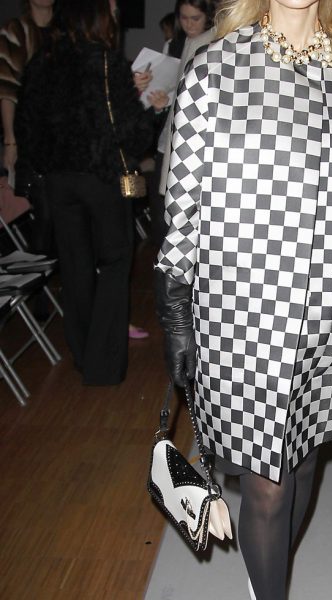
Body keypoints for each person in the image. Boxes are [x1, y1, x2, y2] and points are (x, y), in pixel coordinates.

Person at [154, 0, 332, 597]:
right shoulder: (216, 66)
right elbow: (183, 200)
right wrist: (176, 309)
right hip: (241, 309)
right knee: (268, 483)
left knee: (304, 459)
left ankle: (266, 573)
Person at [15, 0, 155, 385]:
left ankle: (82, 354)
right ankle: (103, 364)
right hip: (102, 179)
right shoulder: (106, 62)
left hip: (58, 181)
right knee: (115, 263)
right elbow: (130, 133)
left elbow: (26, 123)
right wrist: (147, 106)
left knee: (75, 266)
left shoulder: (43, 60)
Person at [146, 0, 215, 247]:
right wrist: (158, 100)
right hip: (167, 138)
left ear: (208, 17)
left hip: (195, 140)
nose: (189, 24)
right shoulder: (174, 44)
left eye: (195, 18)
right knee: (162, 215)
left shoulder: (213, 43)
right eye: (184, 18)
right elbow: (169, 89)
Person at [0, 0, 54, 255]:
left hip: (68, 137)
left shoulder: (68, 28)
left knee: (67, 215)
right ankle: (40, 272)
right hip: (32, 136)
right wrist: (10, 141)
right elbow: (7, 90)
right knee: (45, 212)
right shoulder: (16, 30)